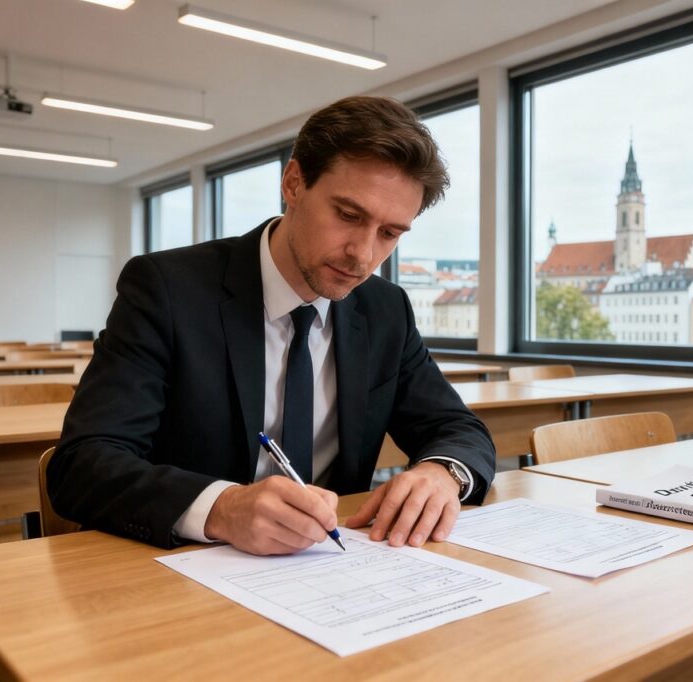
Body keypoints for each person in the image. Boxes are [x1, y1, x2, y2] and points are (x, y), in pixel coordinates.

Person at [48, 96, 496, 555]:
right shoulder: (167, 289)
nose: (363, 255)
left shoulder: (385, 310)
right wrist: (221, 508)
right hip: (183, 567)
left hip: (333, 567)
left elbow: (457, 428)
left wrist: (443, 473)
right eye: (347, 215)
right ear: (294, 183)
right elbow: (83, 464)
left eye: (389, 233)